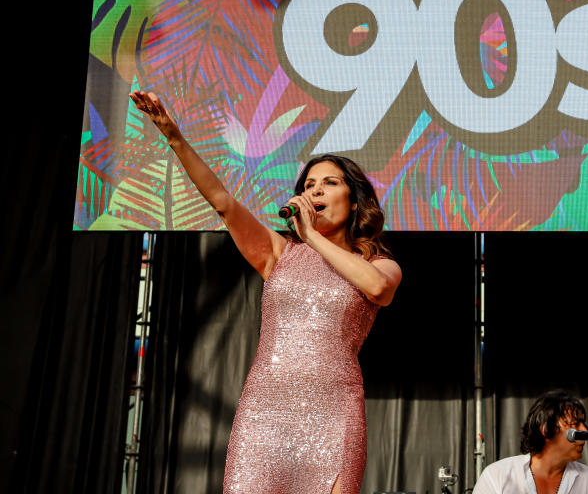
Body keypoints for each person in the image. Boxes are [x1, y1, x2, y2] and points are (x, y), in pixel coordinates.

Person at [130, 91, 402, 494]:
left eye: (330, 183)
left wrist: (310, 235)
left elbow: (378, 289)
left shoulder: (379, 264)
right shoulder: (280, 253)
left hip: (333, 414)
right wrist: (174, 138)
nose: (316, 191)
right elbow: (223, 203)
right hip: (265, 413)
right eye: (309, 185)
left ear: (355, 197)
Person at [472, 390, 588, 494]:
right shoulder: (497, 476)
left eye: (583, 424)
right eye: (575, 424)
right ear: (546, 430)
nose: (584, 430)